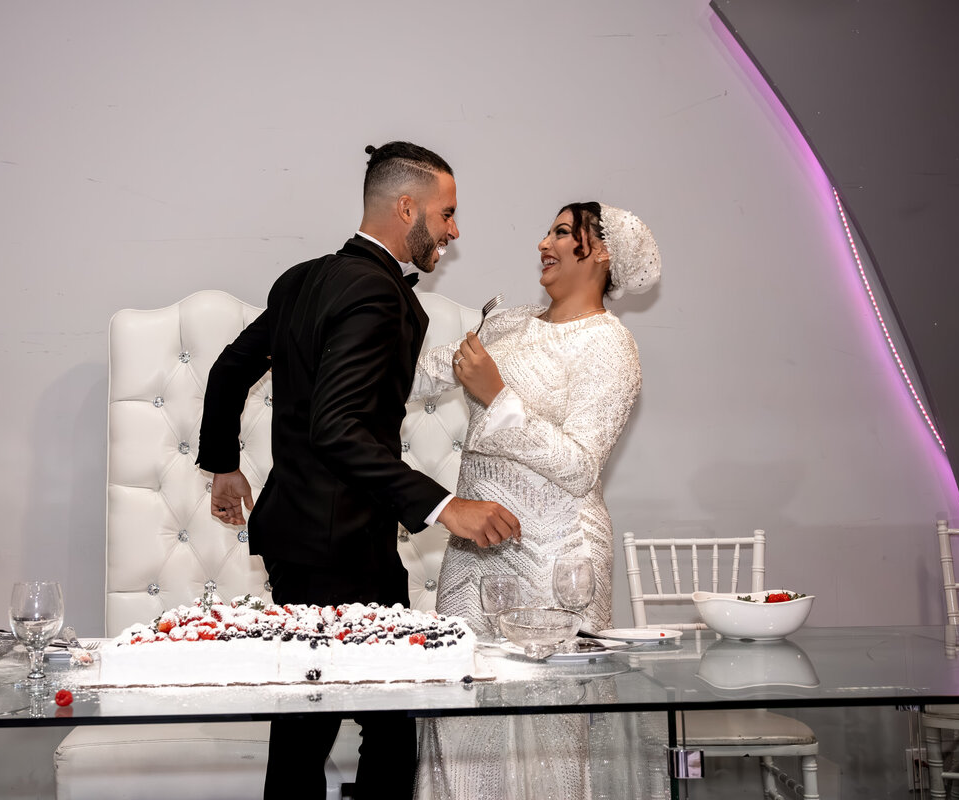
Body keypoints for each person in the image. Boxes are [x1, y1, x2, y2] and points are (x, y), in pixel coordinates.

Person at [197, 141, 522, 800]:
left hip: (297, 538)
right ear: (407, 208)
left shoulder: (302, 278)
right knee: (380, 721)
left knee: (320, 723)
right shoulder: (375, 294)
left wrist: (223, 464)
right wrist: (444, 507)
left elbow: (229, 369)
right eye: (448, 213)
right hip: (339, 543)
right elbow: (338, 428)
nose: (455, 230)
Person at [411, 201, 662, 800]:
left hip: (557, 559)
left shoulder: (610, 346)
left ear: (598, 253)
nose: (543, 243)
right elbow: (419, 375)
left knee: (547, 722)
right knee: (460, 711)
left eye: (561, 233)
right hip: (474, 548)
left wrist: (497, 397)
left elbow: (579, 465)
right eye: (546, 231)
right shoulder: (506, 323)